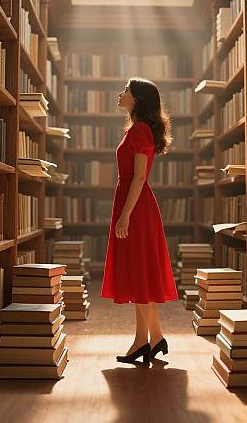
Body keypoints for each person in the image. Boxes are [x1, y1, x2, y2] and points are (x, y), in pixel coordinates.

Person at [101, 77, 179, 365]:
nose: (120, 94)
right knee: (140, 275)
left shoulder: (141, 131)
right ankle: (153, 339)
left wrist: (125, 215)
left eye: (125, 91)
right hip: (133, 204)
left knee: (139, 274)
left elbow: (139, 177)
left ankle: (143, 342)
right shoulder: (137, 129)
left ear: (136, 100)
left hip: (135, 207)